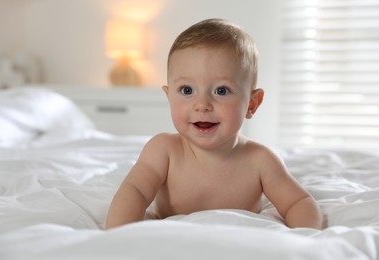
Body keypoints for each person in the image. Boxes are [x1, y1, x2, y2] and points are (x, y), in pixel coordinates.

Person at [105, 18, 323, 229]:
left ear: (252, 104)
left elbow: (298, 202)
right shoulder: (163, 150)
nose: (202, 105)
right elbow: (135, 192)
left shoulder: (261, 160)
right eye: (187, 90)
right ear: (169, 96)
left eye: (221, 90)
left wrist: (307, 237)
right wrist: (115, 235)